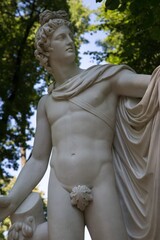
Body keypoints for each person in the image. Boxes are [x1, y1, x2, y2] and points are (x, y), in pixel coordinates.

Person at [0, 9, 159, 240]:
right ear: (47, 50)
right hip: (60, 185)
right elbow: (38, 159)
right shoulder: (46, 103)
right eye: (61, 37)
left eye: (70, 35)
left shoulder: (105, 78)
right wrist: (12, 199)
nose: (70, 41)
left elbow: (150, 86)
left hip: (101, 180)